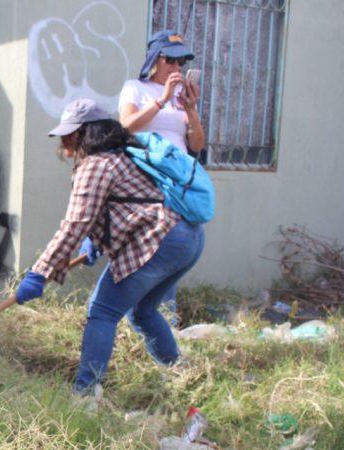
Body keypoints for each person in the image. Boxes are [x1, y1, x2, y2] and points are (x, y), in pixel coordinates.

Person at [15, 99, 205, 397]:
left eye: (69, 134)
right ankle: (181, 372)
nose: (64, 142)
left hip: (160, 241)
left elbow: (74, 223)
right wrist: (97, 238)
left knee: (102, 311)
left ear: (86, 133)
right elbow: (128, 203)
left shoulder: (96, 164)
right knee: (142, 312)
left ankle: (85, 394)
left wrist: (40, 272)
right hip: (187, 238)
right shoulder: (126, 155)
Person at [114, 29, 206, 327]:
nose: (176, 68)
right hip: (144, 181)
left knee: (169, 249)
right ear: (155, 59)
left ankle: (163, 319)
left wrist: (190, 110)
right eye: (170, 60)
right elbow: (126, 126)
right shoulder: (135, 88)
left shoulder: (182, 100)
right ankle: (130, 320)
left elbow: (197, 145)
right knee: (141, 250)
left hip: (175, 182)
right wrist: (161, 99)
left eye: (181, 62)